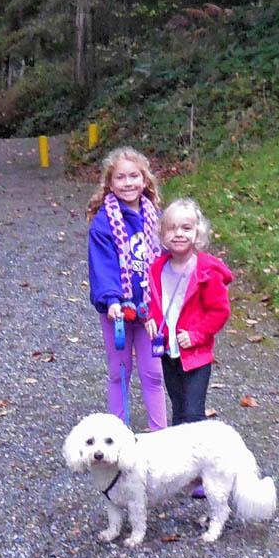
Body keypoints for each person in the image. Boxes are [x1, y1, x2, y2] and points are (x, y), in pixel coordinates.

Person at [87, 147, 167, 431]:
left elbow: (167, 260)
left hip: (150, 311)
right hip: (117, 311)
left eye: (134, 176)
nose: (128, 182)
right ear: (110, 183)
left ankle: (160, 433)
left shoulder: (156, 219)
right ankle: (117, 434)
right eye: (121, 177)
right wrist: (111, 300)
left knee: (153, 373)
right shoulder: (103, 223)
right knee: (119, 372)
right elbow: (102, 265)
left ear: (145, 180)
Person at [146, 197, 233, 427]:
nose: (179, 234)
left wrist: (196, 335)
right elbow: (156, 304)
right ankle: (180, 460)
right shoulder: (157, 268)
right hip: (168, 352)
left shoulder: (207, 272)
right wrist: (151, 320)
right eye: (172, 228)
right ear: (162, 234)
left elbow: (220, 311)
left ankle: (203, 459)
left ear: (198, 233)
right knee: (179, 410)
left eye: (186, 228)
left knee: (194, 414)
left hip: (195, 355)